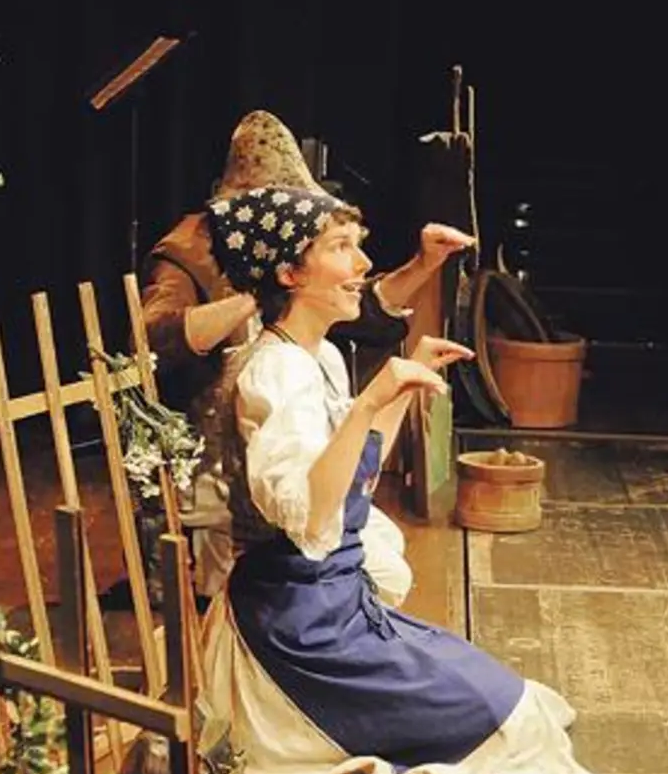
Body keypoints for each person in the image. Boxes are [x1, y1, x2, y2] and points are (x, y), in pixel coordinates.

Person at [198, 184, 599, 774]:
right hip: (295, 626)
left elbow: (354, 476)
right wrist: (370, 404)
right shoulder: (273, 371)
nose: (362, 265)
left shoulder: (320, 356)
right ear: (289, 272)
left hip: (336, 601)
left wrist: (399, 392)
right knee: (515, 724)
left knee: (518, 699)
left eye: (358, 247)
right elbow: (307, 514)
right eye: (341, 248)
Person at [142, 110, 475, 603]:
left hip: (296, 494)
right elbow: (155, 334)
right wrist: (260, 291)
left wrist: (424, 263)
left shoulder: (318, 354)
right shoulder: (191, 250)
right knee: (230, 591)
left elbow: (360, 304)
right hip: (217, 451)